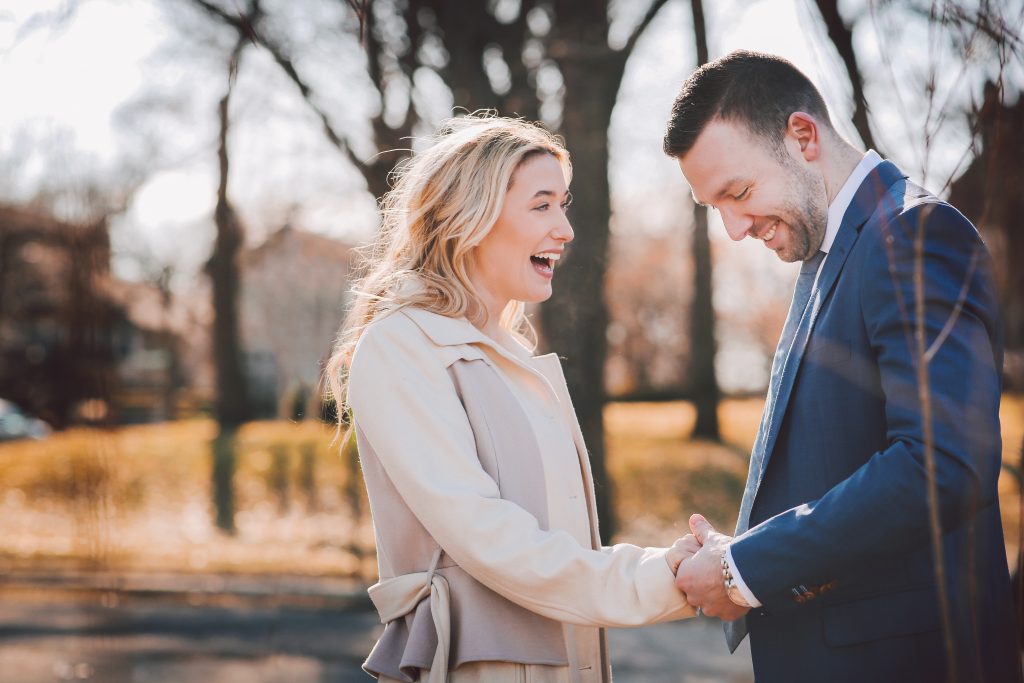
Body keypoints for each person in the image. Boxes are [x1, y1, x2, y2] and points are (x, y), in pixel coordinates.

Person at [662, 50, 1020, 682]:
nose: (735, 228)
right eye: (715, 208)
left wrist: (745, 571)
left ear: (802, 136)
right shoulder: (826, 255)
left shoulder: (913, 236)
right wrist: (737, 551)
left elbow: (943, 463)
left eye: (738, 193)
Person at [325, 114, 696, 683]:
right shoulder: (402, 347)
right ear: (468, 218)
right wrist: (655, 579)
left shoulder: (514, 356)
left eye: (564, 205)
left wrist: (667, 565)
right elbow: (489, 536)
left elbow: (557, 536)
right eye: (542, 205)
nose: (566, 229)